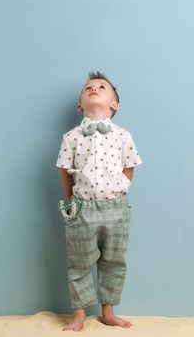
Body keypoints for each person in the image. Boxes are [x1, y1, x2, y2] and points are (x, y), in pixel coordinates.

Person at [56, 71, 142, 331]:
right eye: (89, 87)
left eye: (101, 87)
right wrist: (73, 201)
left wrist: (123, 186)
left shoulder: (123, 135)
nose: (94, 88)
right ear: (80, 105)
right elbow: (64, 169)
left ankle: (108, 311)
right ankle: (79, 314)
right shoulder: (71, 137)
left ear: (113, 104)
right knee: (79, 261)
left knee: (115, 260)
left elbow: (130, 165)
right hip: (83, 208)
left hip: (116, 207)